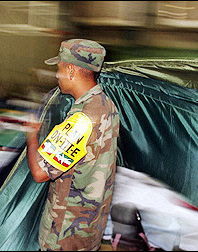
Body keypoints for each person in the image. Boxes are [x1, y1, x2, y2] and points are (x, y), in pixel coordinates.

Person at [25, 38, 120, 251]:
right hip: (89, 227)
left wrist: (32, 136)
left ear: (70, 70)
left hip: (65, 233)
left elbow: (40, 173)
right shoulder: (107, 105)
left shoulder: (82, 119)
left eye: (59, 69)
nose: (57, 75)